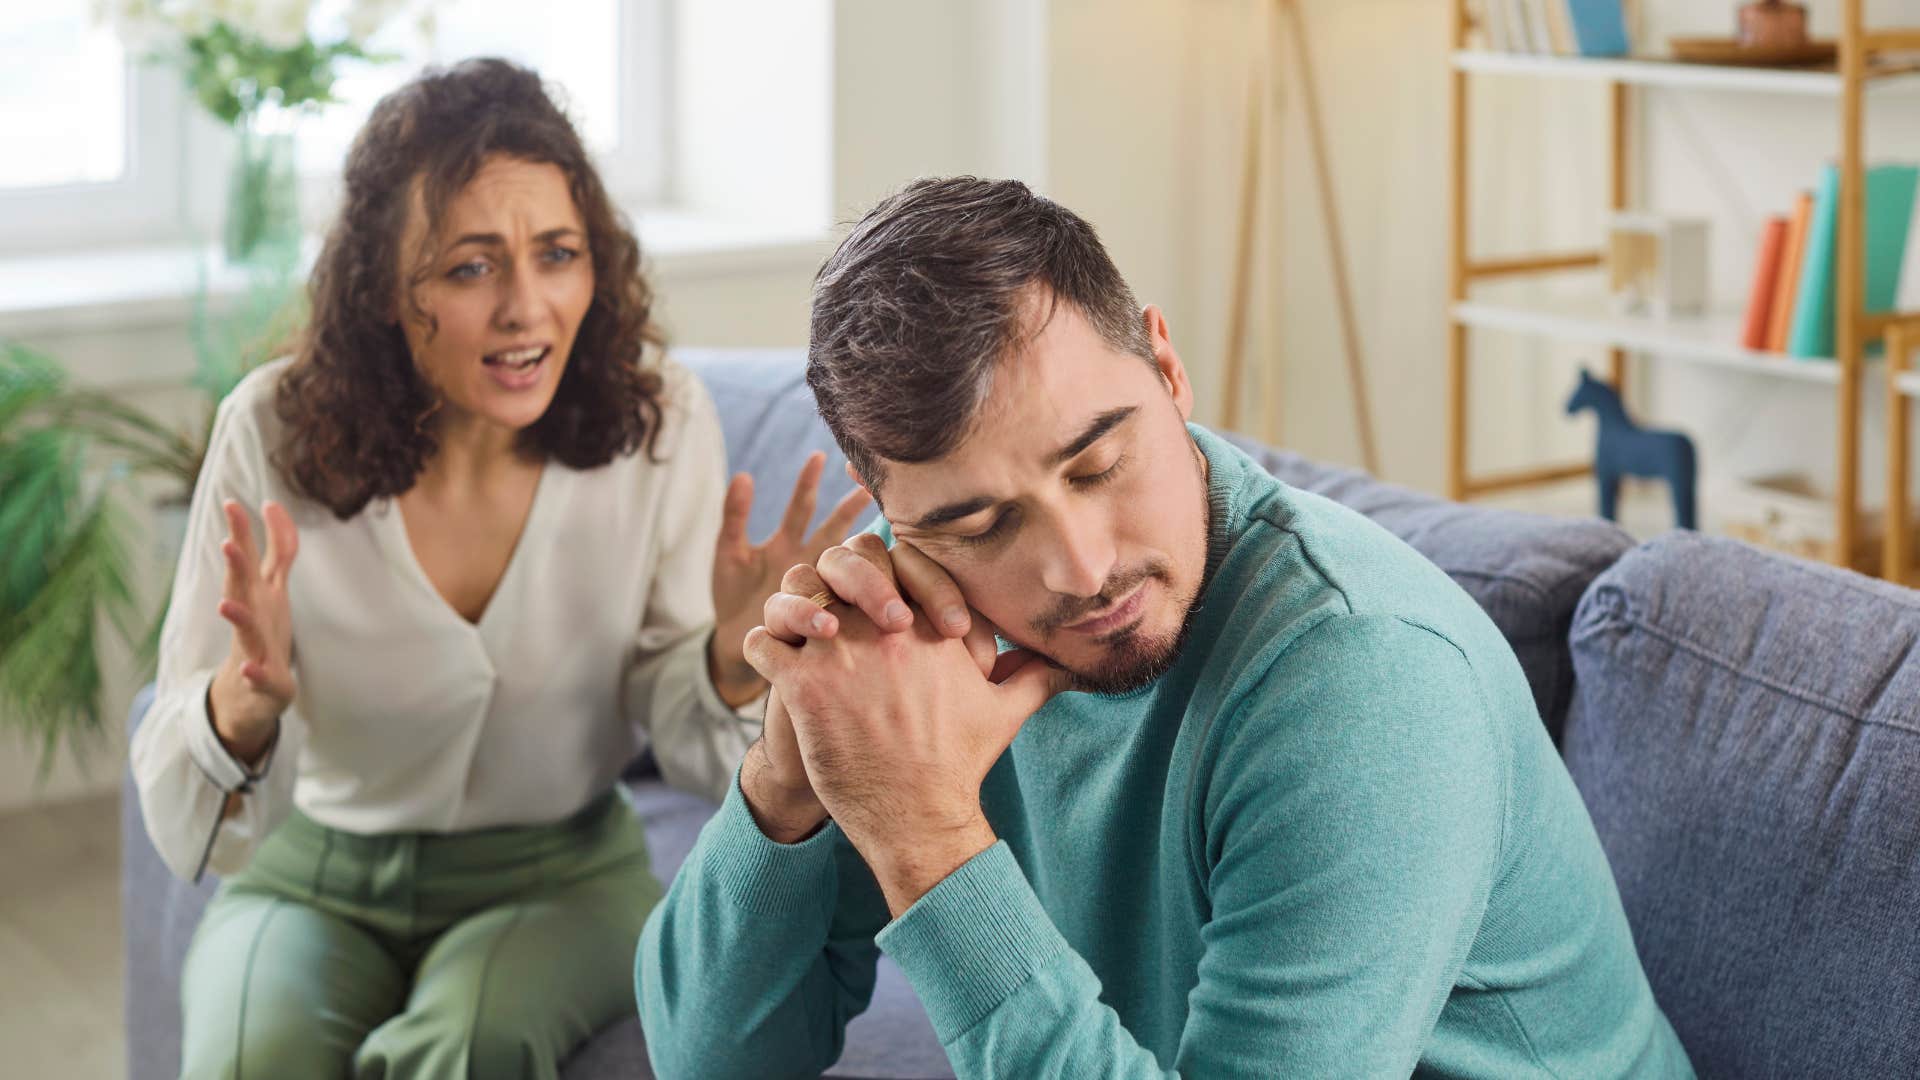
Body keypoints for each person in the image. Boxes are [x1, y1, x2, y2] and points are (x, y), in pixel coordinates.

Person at [637, 177, 1694, 1078]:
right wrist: (791, 774)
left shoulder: (1363, 678)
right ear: (898, 521)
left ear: (1168, 368)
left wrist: (926, 841)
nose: (1083, 567)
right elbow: (710, 1057)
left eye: (1098, 464)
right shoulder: (920, 629)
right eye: (978, 523)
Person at [130, 58, 866, 1079]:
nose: (527, 307)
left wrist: (731, 659)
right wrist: (242, 706)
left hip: (560, 877)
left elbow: (681, 717)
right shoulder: (271, 428)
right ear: (388, 285)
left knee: (466, 1046)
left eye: (557, 254)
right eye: (471, 266)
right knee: (255, 1051)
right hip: (313, 877)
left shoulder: (659, 429)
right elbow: (182, 746)